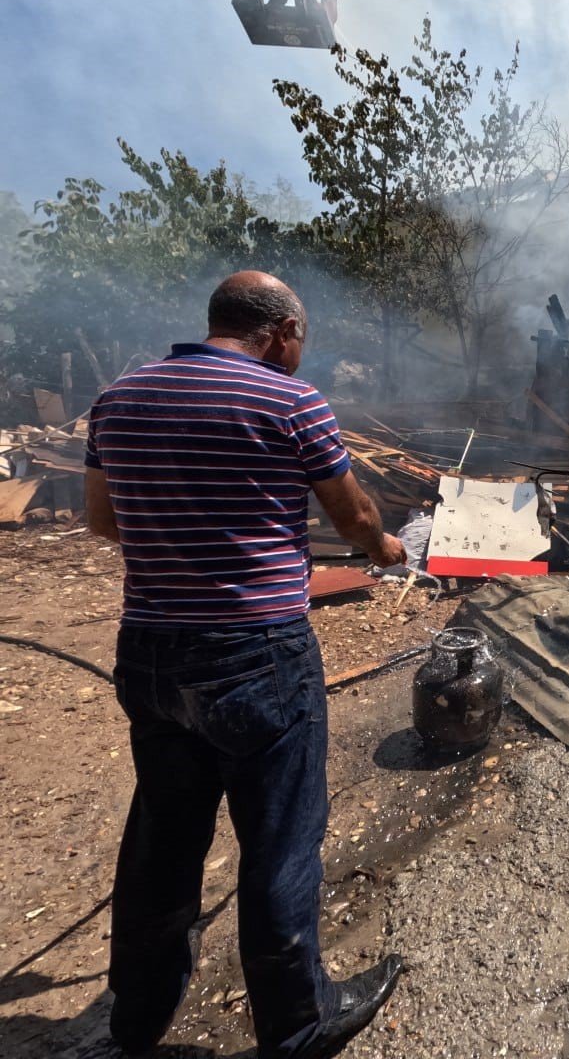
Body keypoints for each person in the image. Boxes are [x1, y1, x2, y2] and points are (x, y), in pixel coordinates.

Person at [84, 272, 408, 1059]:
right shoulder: (290, 401)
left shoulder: (118, 398)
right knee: (280, 838)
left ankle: (136, 1017)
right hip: (256, 654)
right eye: (302, 339)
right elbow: (354, 514)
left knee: (164, 836)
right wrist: (385, 549)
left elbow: (101, 521)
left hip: (152, 654)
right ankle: (299, 1024)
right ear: (281, 331)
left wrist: (182, 547)